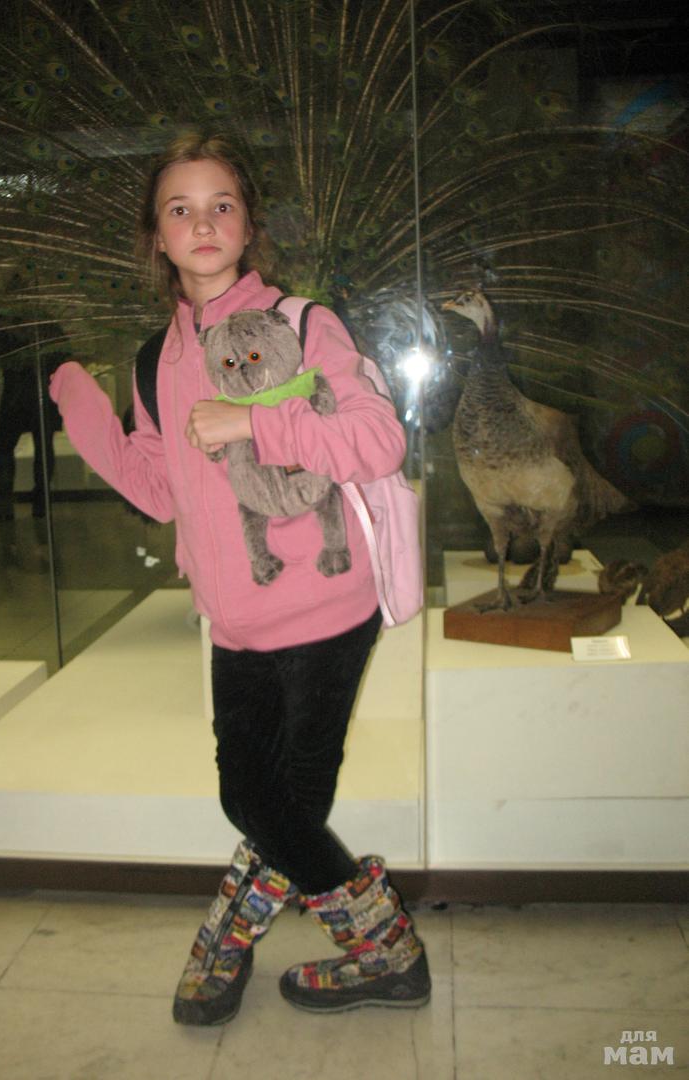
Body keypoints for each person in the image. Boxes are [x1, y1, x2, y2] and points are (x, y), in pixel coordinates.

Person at [48, 133, 431, 1025]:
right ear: (157, 237)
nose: (203, 223)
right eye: (179, 209)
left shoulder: (304, 324)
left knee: (271, 798)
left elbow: (379, 441)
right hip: (234, 619)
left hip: (328, 606)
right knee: (268, 801)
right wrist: (90, 423)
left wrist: (256, 424)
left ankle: (260, 946)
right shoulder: (154, 359)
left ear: (249, 223)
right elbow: (160, 489)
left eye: (221, 204)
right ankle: (378, 950)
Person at [0, 311, 69, 521]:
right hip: (41, 393)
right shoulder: (45, 322)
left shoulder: (3, 322)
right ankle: (40, 501)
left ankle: (6, 504)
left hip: (15, 394)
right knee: (43, 447)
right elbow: (63, 353)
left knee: (7, 448)